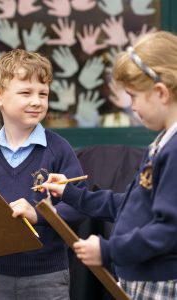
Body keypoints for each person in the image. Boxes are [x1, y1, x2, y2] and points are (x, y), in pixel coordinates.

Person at [42, 31, 177, 300]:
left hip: (160, 283)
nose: (132, 107)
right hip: (143, 278)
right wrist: (70, 194)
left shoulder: (174, 151)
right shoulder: (163, 142)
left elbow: (169, 230)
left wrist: (108, 251)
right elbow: (126, 205)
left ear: (160, 93)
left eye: (134, 96)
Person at [0, 49, 86, 300]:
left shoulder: (59, 149)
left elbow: (79, 208)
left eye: (43, 94)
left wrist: (38, 214)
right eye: (26, 92)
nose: (37, 101)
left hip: (47, 275)